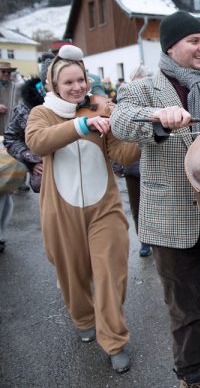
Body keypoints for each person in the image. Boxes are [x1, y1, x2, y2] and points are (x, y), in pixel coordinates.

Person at [110, 10, 200, 388]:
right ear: (171, 46)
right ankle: (190, 374)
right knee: (184, 306)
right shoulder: (143, 89)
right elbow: (122, 122)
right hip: (172, 216)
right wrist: (157, 116)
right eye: (194, 41)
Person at [25, 44, 140, 373]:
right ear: (54, 86)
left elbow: (123, 155)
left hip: (104, 209)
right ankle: (83, 317)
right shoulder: (41, 114)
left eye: (81, 81)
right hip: (61, 212)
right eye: (69, 83)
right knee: (72, 274)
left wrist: (146, 135)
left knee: (110, 274)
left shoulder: (100, 108)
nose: (77, 88)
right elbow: (38, 141)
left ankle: (114, 339)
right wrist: (82, 125)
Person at [112, 65, 153, 258]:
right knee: (137, 206)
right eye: (136, 80)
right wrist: (118, 164)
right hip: (132, 167)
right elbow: (114, 137)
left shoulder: (154, 99)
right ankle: (144, 241)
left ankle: (156, 239)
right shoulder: (122, 101)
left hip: (152, 163)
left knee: (154, 204)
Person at [4, 77, 46, 193]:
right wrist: (31, 161)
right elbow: (11, 138)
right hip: (46, 181)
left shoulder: (81, 102)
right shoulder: (26, 107)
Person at [0, 61, 20, 133]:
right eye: (3, 71)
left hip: (10, 129)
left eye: (9, 72)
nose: (6, 74)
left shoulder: (16, 87)